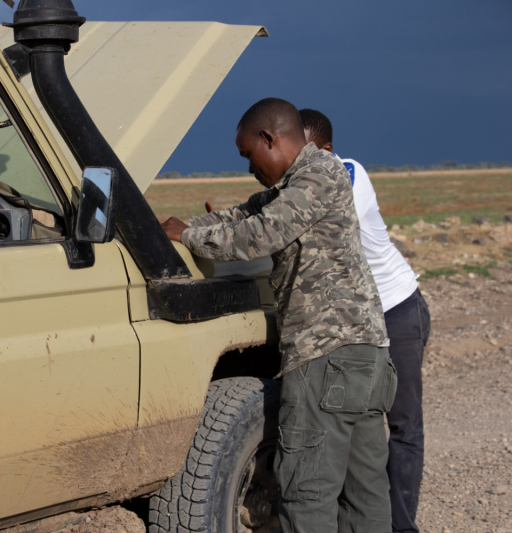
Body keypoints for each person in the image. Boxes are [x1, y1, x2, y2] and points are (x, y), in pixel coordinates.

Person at [161, 97, 396, 533]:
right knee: (364, 495)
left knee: (307, 493)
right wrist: (183, 227)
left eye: (249, 154)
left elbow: (259, 234)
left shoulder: (318, 175)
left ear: (271, 138)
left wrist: (191, 236)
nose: (249, 166)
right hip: (363, 357)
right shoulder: (301, 182)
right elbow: (247, 212)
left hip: (328, 356)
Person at [300, 108, 431, 533]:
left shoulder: (348, 173)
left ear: (327, 151)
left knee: (403, 426)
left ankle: (401, 526)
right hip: (359, 322)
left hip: (396, 310)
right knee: (360, 425)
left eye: (306, 154)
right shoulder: (298, 188)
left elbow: (301, 220)